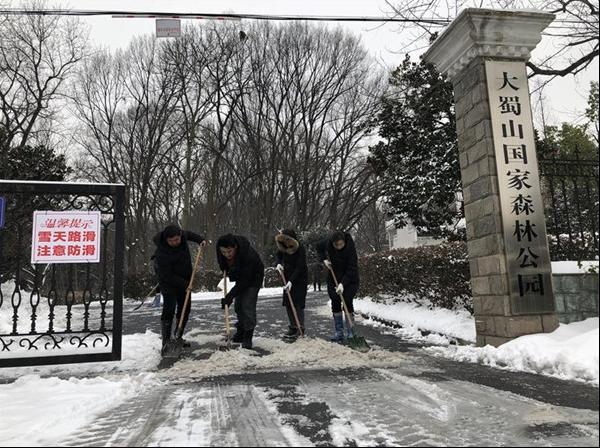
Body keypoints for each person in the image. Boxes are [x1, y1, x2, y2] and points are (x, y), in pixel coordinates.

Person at [153, 224, 205, 355]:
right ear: (166, 239)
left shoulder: (182, 235)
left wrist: (200, 240)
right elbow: (167, 275)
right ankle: (166, 341)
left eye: (176, 240)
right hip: (168, 283)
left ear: (180, 236)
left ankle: (178, 336)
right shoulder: (161, 252)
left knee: (185, 308)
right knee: (169, 308)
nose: (174, 243)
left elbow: (191, 235)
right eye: (171, 241)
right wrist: (185, 283)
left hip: (185, 279)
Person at [217, 234, 264, 349]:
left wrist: (230, 295)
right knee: (238, 306)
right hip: (241, 277)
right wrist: (225, 268)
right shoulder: (220, 249)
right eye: (224, 252)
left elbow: (245, 281)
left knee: (247, 305)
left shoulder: (248, 255)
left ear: (236, 247)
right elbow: (222, 262)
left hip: (253, 278)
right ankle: (241, 331)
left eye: (229, 251)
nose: (227, 255)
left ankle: (248, 336)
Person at [316, 231, 360, 342]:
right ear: (332, 243)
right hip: (334, 276)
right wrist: (324, 260)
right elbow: (318, 247)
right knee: (335, 300)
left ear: (344, 241)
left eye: (341, 244)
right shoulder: (328, 243)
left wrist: (342, 283)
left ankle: (351, 333)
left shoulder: (350, 247)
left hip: (350, 279)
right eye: (337, 245)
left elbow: (352, 268)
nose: (339, 247)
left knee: (347, 300)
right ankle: (339, 333)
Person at [275, 229, 308, 341]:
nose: (286, 242)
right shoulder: (283, 247)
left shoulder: (300, 249)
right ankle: (293, 327)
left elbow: (300, 267)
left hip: (300, 279)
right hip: (287, 277)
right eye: (284, 240)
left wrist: (291, 281)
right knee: (288, 303)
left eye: (288, 240)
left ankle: (300, 327)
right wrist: (278, 263)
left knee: (297, 303)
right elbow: (278, 255)